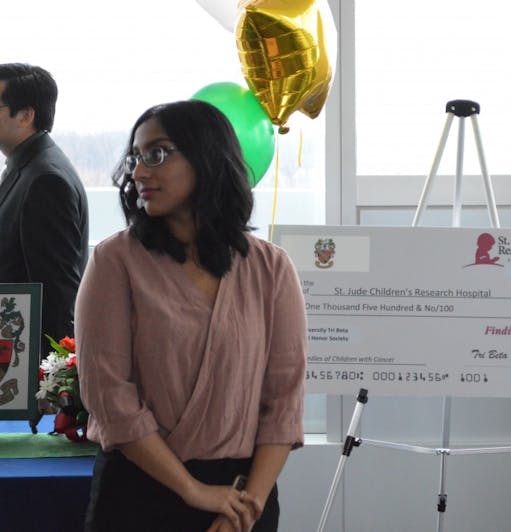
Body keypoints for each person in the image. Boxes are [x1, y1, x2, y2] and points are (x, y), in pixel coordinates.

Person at [76, 100, 307, 532]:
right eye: (136, 157)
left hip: (242, 496)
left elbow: (284, 402)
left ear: (207, 158)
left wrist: (247, 507)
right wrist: (193, 490)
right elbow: (110, 399)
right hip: (139, 492)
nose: (138, 172)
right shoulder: (114, 262)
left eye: (157, 154)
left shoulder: (271, 268)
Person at [0, 63, 89, 358]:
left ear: (26, 115)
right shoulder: (26, 166)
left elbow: (57, 294)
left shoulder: (46, 180)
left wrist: (51, 376)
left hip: (26, 364)